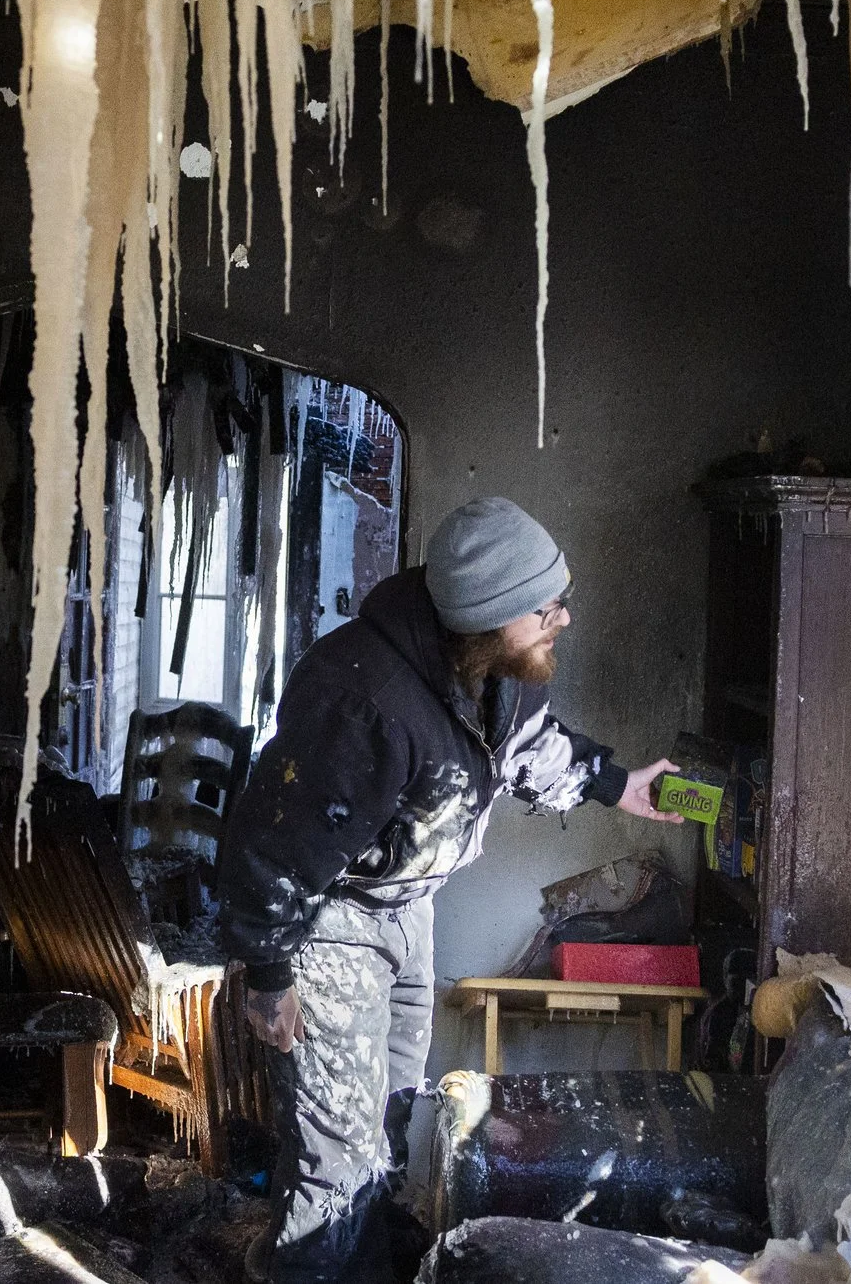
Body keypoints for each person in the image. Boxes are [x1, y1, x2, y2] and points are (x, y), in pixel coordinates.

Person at [213, 496, 684, 1283]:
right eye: (546, 606)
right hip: (330, 922)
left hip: (409, 909)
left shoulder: (495, 671)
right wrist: (268, 975)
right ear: (490, 617)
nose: (562, 618)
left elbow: (525, 746)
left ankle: (381, 1263)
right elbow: (270, 843)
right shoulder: (361, 697)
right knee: (333, 1155)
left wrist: (615, 782)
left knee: (394, 1118)